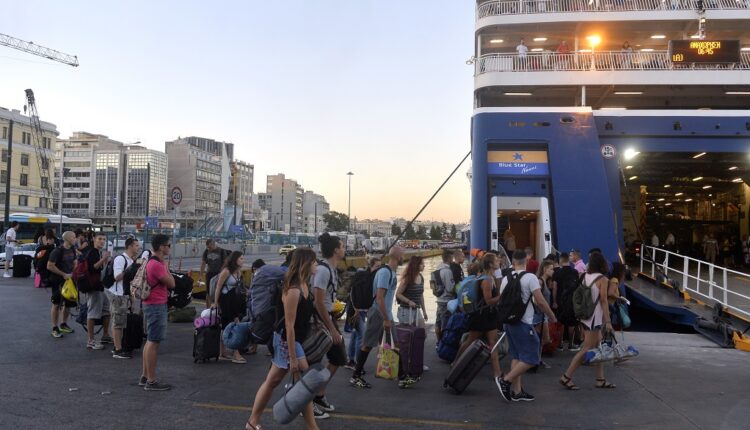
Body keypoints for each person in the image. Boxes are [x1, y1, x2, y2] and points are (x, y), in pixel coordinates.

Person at [246, 248, 320, 430]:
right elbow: (289, 325)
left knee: (274, 382)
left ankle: (252, 422)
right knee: (304, 383)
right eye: (314, 262)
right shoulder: (293, 289)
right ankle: (312, 427)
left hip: (295, 340)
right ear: (305, 264)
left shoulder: (305, 285)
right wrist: (293, 358)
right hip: (286, 340)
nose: (317, 265)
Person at [496, 250, 557, 403]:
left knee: (517, 356)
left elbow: (502, 300)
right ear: (526, 262)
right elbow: (540, 301)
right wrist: (551, 316)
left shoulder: (505, 279)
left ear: (513, 262)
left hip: (509, 322)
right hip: (523, 322)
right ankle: (506, 380)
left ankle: (517, 392)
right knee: (532, 357)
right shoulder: (531, 278)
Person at [350, 246, 410, 389]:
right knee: (367, 344)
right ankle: (356, 376)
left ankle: (402, 377)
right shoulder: (385, 272)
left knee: (394, 344)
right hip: (379, 314)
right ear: (397, 256)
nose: (404, 257)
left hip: (385, 314)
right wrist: (386, 319)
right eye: (402, 255)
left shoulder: (390, 272)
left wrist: (388, 317)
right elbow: (379, 298)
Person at [560, 252, 615, 390]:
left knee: (597, 347)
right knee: (586, 349)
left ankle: (600, 379)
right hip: (595, 318)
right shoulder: (603, 279)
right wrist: (608, 321)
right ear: (602, 264)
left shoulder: (585, 276)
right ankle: (566, 376)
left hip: (585, 316)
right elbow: (604, 301)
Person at [311, 233, 346, 418]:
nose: (344, 249)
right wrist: (331, 328)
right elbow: (318, 302)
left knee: (337, 358)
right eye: (342, 246)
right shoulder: (323, 270)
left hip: (328, 317)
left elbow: (326, 299)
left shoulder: (332, 269)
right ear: (335, 250)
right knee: (315, 362)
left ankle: (318, 395)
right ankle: (309, 400)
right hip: (319, 320)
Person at [455, 253, 504, 383]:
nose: (498, 261)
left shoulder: (489, 277)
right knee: (473, 341)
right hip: (483, 316)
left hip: (485, 315)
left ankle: (497, 373)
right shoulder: (487, 280)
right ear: (490, 264)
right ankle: (456, 362)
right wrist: (502, 296)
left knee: (490, 343)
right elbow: (488, 301)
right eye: (496, 260)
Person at [139, 234, 176, 391]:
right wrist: (166, 267)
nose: (170, 248)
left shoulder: (151, 261)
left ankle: (145, 376)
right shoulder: (157, 265)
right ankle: (151, 381)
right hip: (156, 305)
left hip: (150, 304)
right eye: (169, 245)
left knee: (150, 341)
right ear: (162, 247)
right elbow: (172, 283)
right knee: (154, 342)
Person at [212, 251, 248, 364]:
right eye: (241, 258)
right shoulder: (226, 271)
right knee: (233, 326)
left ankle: (222, 353)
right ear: (235, 259)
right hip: (225, 301)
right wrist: (215, 302)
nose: (243, 260)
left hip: (234, 301)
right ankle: (236, 354)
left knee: (226, 326)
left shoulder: (238, 271)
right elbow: (218, 287)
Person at [346, 257, 381, 370]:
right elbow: (352, 292)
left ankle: (351, 360)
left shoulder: (372, 277)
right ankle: (357, 364)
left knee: (355, 335)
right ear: (371, 266)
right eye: (377, 266)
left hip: (363, 311)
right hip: (355, 311)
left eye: (380, 267)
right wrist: (355, 308)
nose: (378, 269)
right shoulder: (361, 276)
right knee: (361, 336)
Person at [108, 237, 139, 359]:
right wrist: (130, 270)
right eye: (136, 245)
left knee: (121, 322)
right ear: (130, 246)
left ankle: (118, 346)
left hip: (125, 294)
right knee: (118, 323)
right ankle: (117, 350)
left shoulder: (131, 260)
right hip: (118, 295)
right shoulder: (121, 259)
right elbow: (117, 277)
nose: (138, 248)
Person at [84, 232, 113, 350]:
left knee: (106, 310)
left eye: (104, 239)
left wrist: (104, 260)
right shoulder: (92, 252)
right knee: (92, 313)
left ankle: (105, 335)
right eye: (100, 239)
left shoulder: (97, 252)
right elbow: (92, 268)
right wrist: (104, 259)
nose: (102, 241)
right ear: (94, 239)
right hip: (94, 287)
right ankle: (90, 340)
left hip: (101, 286)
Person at [46, 231, 78, 338]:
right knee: (56, 304)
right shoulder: (57, 251)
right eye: (73, 237)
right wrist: (64, 274)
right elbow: (50, 266)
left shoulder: (72, 249)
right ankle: (54, 328)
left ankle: (63, 324)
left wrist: (73, 272)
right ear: (67, 239)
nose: (75, 239)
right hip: (58, 281)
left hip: (70, 280)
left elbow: (75, 262)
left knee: (68, 304)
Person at [553, 253, 582, 352]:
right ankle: (570, 344)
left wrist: (554, 301)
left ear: (561, 261)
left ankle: (560, 344)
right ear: (568, 260)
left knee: (561, 322)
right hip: (572, 300)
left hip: (560, 300)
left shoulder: (557, 272)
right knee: (571, 323)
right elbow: (578, 287)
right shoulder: (575, 272)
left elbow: (555, 288)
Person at [534, 260, 556, 369]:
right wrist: (542, 310)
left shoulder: (545, 282)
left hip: (543, 315)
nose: (553, 271)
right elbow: (535, 300)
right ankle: (534, 358)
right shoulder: (540, 282)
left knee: (541, 339)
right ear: (544, 269)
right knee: (545, 339)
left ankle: (537, 359)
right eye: (551, 269)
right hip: (540, 315)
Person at [396, 256, 427, 326]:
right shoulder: (407, 278)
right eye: (422, 264)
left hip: (416, 309)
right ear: (416, 265)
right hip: (406, 310)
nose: (424, 265)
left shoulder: (421, 277)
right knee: (407, 331)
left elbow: (421, 295)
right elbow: (398, 294)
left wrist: (424, 311)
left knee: (422, 330)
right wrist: (409, 301)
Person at [434, 250, 456, 342]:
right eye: (452, 258)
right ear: (449, 258)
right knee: (445, 324)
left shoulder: (437, 269)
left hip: (439, 299)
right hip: (447, 301)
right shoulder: (447, 271)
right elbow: (450, 288)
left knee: (438, 323)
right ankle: (444, 344)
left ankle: (438, 342)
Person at [201, 239, 228, 308]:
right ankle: (208, 309)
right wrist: (201, 275)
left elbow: (225, 263)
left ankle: (218, 309)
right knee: (208, 293)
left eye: (209, 247)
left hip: (219, 274)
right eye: (207, 247)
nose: (208, 249)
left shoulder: (222, 251)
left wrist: (221, 272)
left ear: (213, 244)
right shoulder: (206, 251)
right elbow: (203, 263)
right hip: (209, 274)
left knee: (219, 291)